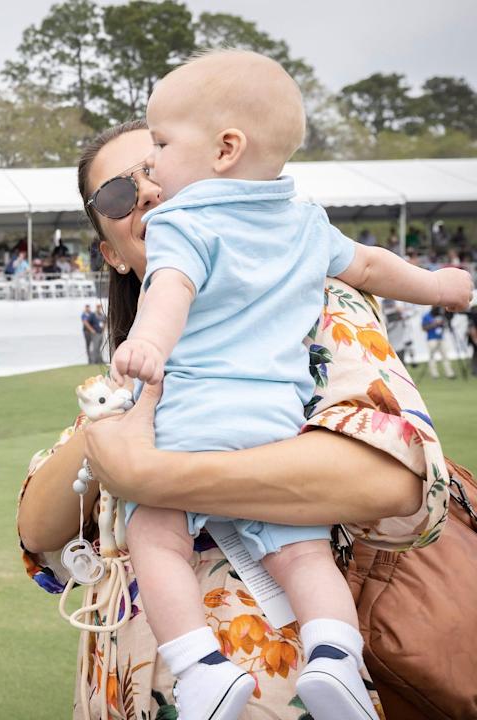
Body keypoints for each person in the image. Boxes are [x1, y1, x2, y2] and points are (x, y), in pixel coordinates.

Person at [17, 119, 450, 719]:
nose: (145, 190)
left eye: (158, 164)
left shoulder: (314, 297)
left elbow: (398, 478)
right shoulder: (135, 358)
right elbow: (40, 533)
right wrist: (105, 430)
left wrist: (151, 475)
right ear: (112, 253)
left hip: (279, 686)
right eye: (117, 194)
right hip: (128, 692)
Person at [107, 50, 470, 720]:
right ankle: (335, 656)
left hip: (191, 422)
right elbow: (370, 263)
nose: (151, 166)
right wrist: (439, 288)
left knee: (155, 536)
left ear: (225, 149)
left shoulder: (183, 220)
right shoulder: (304, 222)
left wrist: (149, 343)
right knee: (303, 557)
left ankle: (198, 669)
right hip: (277, 426)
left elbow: (170, 288)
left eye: (159, 144)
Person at [422, 306, 456, 379]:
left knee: (445, 355)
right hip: (431, 338)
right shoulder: (426, 316)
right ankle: (434, 374)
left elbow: (446, 325)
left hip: (441, 338)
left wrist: (443, 323)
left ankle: (449, 373)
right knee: (432, 357)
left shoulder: (441, 316)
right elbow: (424, 328)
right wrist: (434, 323)